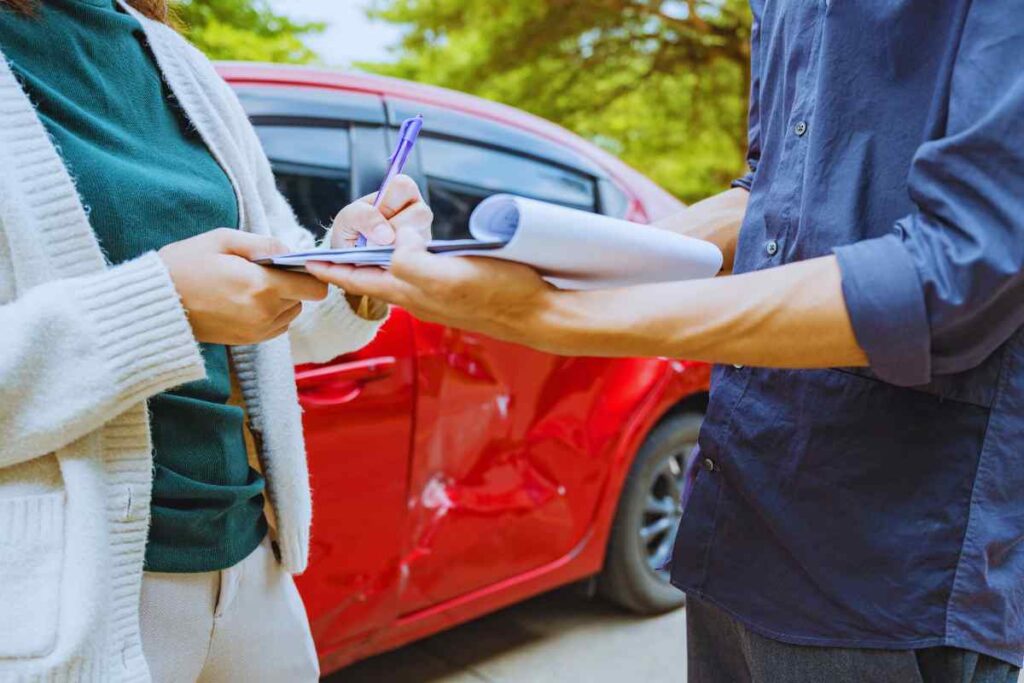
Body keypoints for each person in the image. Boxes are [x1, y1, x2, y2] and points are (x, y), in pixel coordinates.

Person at [309, 1, 1024, 681]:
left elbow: (957, 270)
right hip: (737, 518)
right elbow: (768, 194)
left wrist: (553, 318)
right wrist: (554, 258)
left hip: (892, 568)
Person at [0, 0, 432, 681]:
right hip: (59, 608)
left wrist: (344, 262)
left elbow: (261, 276)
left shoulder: (173, 55)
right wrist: (158, 306)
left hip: (249, 562)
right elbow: (183, 300)